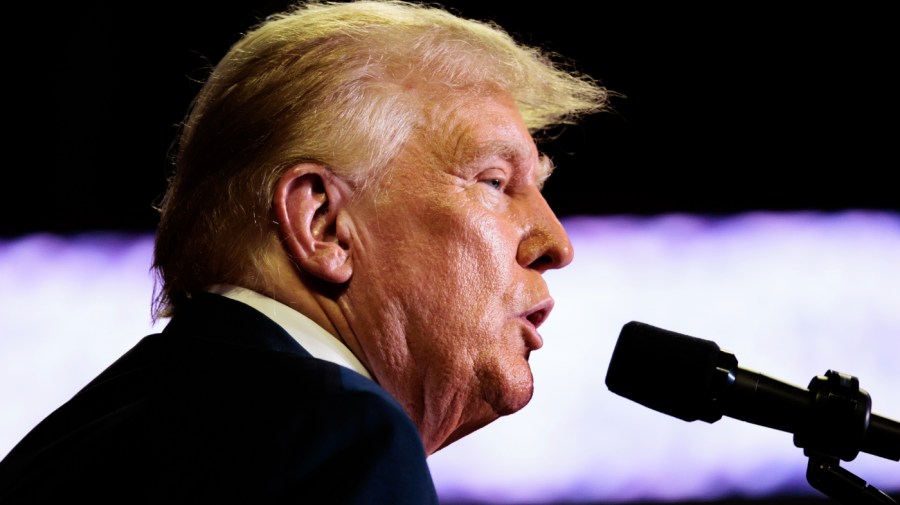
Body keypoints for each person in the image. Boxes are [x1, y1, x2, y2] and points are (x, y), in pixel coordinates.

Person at [0, 0, 608, 502]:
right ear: (322, 224)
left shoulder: (76, 438)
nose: (556, 244)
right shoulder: (337, 432)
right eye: (495, 182)